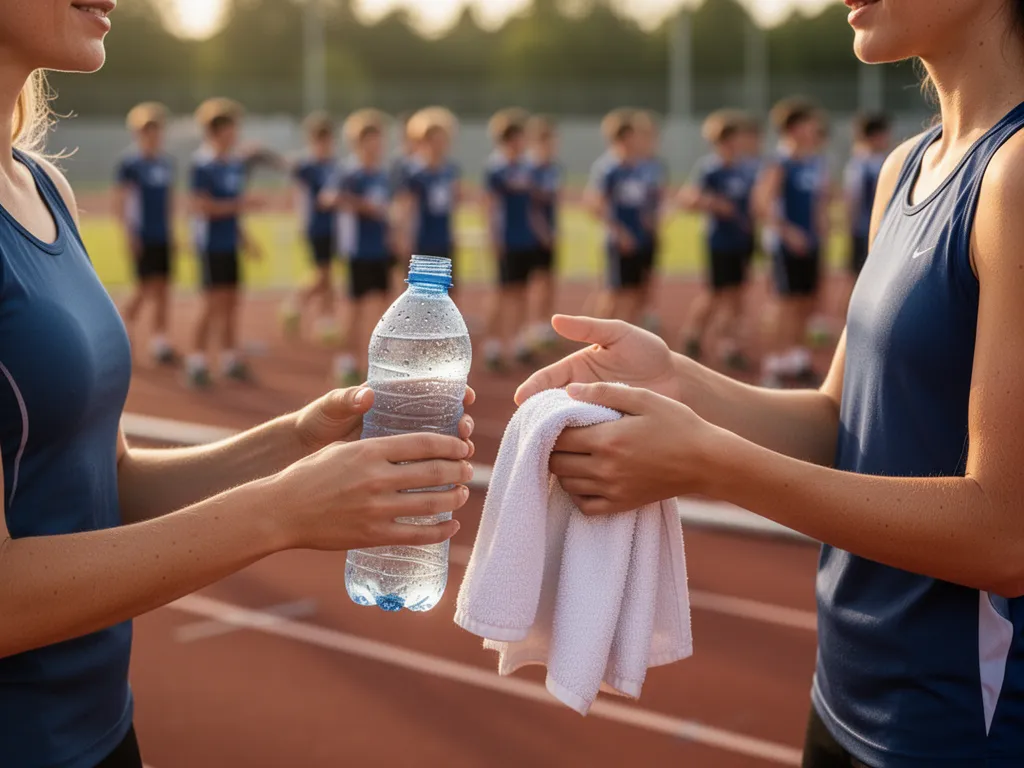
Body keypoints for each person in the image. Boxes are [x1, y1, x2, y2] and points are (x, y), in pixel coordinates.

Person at [517, 0, 1024, 764]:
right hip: (845, 696)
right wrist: (676, 379)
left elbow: (1004, 535)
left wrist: (708, 462)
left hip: (960, 731)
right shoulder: (908, 167)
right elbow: (838, 422)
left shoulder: (1015, 175)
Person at [0, 7, 476, 768]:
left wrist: (296, 442)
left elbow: (104, 486)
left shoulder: (43, 186)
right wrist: (281, 511)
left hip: (103, 730)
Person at [187, 98, 263, 388]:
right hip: (210, 245)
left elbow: (233, 211)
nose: (235, 134)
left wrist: (245, 239)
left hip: (229, 244)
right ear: (216, 131)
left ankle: (230, 359)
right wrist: (240, 204)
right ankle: (197, 361)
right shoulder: (202, 164)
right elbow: (202, 207)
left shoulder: (234, 165)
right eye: (231, 128)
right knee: (212, 304)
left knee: (232, 302)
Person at [754, 98, 830, 387]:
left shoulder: (814, 161)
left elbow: (818, 199)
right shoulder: (779, 163)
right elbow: (761, 203)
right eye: (810, 124)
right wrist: (788, 232)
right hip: (785, 245)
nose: (815, 129)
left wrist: (822, 221)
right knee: (784, 304)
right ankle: (772, 364)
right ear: (795, 128)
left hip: (811, 243)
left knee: (805, 303)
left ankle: (796, 359)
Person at [678, 110, 756, 371]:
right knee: (714, 293)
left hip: (743, 239)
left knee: (737, 295)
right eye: (728, 139)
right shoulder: (710, 169)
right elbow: (688, 199)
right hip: (719, 240)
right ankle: (692, 335)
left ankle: (728, 345)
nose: (734, 143)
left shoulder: (747, 168)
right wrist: (713, 203)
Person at [323, 108, 393, 387]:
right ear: (358, 143)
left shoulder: (383, 174)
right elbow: (328, 198)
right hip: (357, 251)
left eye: (379, 139)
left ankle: (372, 364)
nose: (376, 146)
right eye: (370, 140)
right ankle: (346, 361)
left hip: (380, 250)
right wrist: (361, 205)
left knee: (379, 311)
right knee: (353, 309)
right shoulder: (349, 173)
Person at [114, 101, 178, 366]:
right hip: (143, 234)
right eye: (147, 130)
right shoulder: (130, 165)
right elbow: (121, 203)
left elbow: (169, 201)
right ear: (138, 133)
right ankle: (121, 332)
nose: (153, 135)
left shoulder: (165, 163)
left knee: (164, 287)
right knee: (143, 288)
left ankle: (159, 341)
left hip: (162, 234)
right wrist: (129, 235)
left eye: (157, 130)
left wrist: (173, 232)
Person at [482, 108, 539, 372]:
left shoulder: (527, 167)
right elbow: (489, 205)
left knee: (522, 292)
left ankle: (518, 341)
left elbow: (531, 206)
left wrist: (540, 231)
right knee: (503, 292)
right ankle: (492, 345)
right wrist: (492, 236)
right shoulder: (497, 169)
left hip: (525, 239)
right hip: (506, 239)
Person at [281, 111, 339, 343]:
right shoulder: (306, 166)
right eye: (319, 138)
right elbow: (299, 195)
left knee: (328, 275)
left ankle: (325, 319)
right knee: (323, 274)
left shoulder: (335, 165)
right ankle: (296, 305)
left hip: (335, 227)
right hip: (316, 227)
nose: (324, 143)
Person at [588, 109, 651, 324]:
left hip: (640, 239)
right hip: (620, 242)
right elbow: (594, 205)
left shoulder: (640, 167)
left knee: (635, 292)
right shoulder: (608, 169)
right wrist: (619, 232)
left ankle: (626, 342)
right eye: (635, 134)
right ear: (624, 137)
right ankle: (597, 342)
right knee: (614, 293)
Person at [395, 106, 461, 301]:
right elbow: (405, 207)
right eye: (432, 139)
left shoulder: (450, 170)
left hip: (443, 238)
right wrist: (404, 237)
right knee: (418, 297)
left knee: (446, 294)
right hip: (421, 241)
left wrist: (453, 233)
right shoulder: (413, 172)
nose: (438, 145)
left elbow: (452, 205)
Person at [841, 112, 891, 315]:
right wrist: (850, 229)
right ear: (875, 136)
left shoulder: (877, 161)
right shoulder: (862, 164)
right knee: (862, 279)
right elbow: (853, 199)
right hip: (865, 230)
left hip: (880, 231)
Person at [525, 114, 562, 351]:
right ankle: (533, 324)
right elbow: (530, 207)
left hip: (550, 231)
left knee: (549, 278)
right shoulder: (531, 169)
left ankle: (545, 323)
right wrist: (542, 232)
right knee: (534, 280)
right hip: (534, 235)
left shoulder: (554, 168)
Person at [633, 109, 668, 333]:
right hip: (630, 233)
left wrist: (658, 222)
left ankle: (646, 312)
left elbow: (660, 196)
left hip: (649, 232)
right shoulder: (629, 164)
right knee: (623, 285)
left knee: (648, 275)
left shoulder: (657, 165)